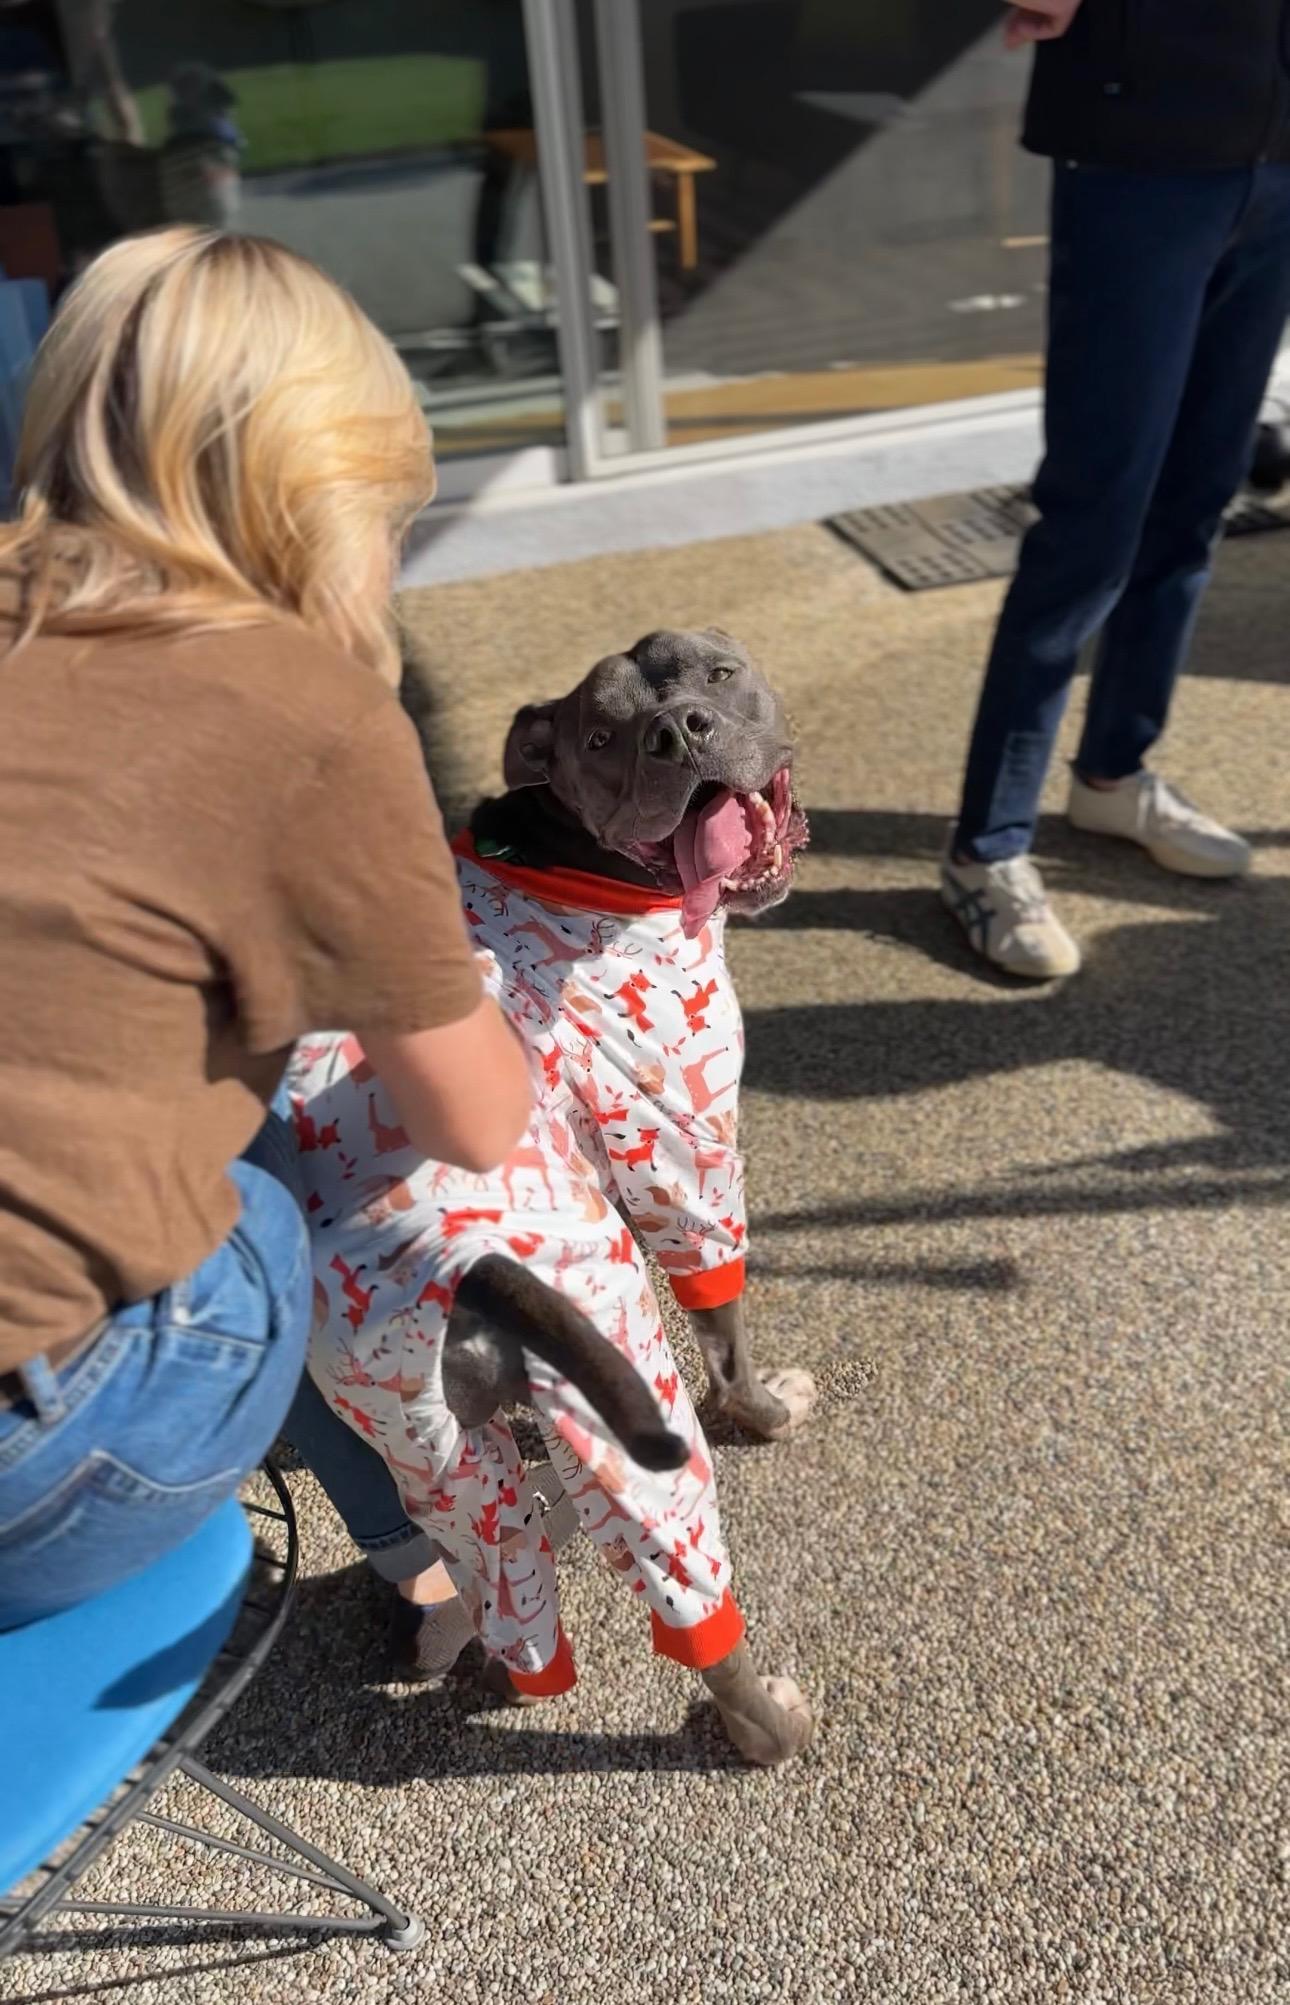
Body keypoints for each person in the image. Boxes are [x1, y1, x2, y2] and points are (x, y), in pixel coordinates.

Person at [0, 227, 532, 1628]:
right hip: (30, 1460)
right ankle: (425, 1536)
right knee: (261, 1183)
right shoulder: (306, 714)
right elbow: (477, 1117)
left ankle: (403, 1547)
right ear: (326, 495)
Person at [942, 0, 1290, 978]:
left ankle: (1112, 774)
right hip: (1140, 148)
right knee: (1095, 514)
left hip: (1275, 160)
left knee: (1195, 501)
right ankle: (988, 845)